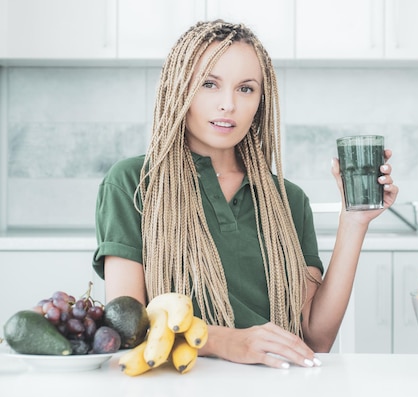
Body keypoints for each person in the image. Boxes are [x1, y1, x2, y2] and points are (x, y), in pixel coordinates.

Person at [92, 20, 399, 369]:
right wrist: (227, 341)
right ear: (180, 89)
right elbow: (126, 326)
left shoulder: (288, 200)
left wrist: (354, 221)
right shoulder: (133, 184)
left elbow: (316, 337)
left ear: (260, 102)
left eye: (246, 89)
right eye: (210, 84)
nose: (229, 105)